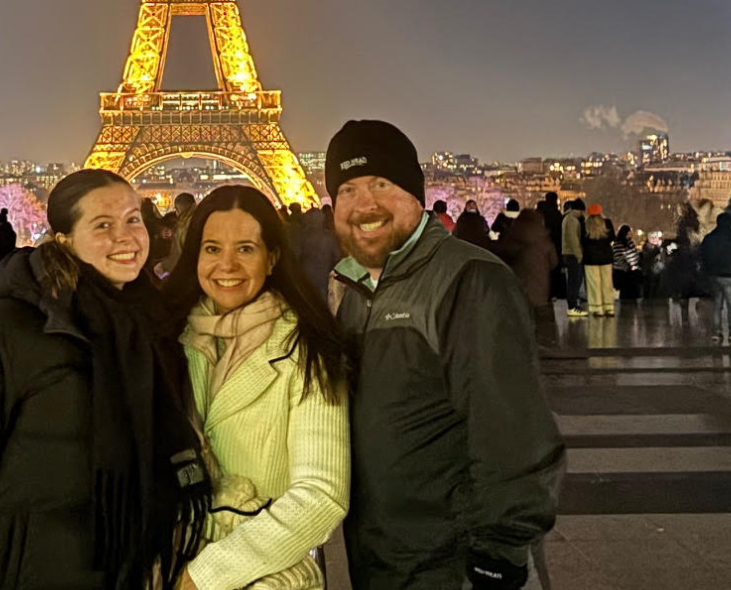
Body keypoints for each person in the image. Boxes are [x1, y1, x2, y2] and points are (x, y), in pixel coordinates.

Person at [0, 170, 211, 590]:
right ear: (63, 238)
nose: (127, 237)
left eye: (133, 219)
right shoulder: (2, 326)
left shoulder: (154, 324)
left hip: (138, 571)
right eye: (103, 225)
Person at [324, 120, 562, 590]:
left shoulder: (469, 280)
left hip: (452, 561)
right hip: (381, 554)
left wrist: (498, 554)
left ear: (416, 193)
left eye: (381, 183)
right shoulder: (348, 287)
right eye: (347, 189)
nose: (364, 203)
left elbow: (511, 431)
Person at [163, 185, 350, 589]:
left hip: (259, 574)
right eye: (212, 248)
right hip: (171, 558)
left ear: (273, 258)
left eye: (245, 248)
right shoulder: (166, 339)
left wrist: (206, 575)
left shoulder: (309, 347)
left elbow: (322, 492)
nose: (226, 264)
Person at [493, 208, 558, 313]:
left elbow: (502, 254)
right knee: (539, 321)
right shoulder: (544, 239)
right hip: (540, 289)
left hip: (516, 288)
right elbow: (554, 262)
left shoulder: (512, 235)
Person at [700, 212, 731, 343]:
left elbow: (702, 254)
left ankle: (716, 332)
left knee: (716, 305)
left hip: (713, 274)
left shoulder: (709, 238)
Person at [295, 204, 341, 303]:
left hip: (307, 276)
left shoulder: (302, 236)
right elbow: (337, 256)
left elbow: (296, 256)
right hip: (324, 275)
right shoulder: (328, 237)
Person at [581, 204, 616, 318]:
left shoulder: (585, 225)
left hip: (590, 259)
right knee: (607, 283)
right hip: (606, 257)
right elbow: (612, 238)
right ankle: (609, 307)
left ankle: (597, 308)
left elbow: (582, 241)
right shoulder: (607, 223)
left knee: (594, 284)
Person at [560, 199, 587, 318]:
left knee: (573, 281)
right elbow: (573, 240)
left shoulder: (568, 218)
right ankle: (572, 307)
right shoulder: (572, 220)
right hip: (573, 255)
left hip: (569, 254)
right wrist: (579, 255)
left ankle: (573, 305)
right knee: (574, 281)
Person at [611, 225, 641, 301]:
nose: (629, 235)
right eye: (628, 233)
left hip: (633, 271)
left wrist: (636, 263)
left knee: (634, 291)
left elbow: (635, 253)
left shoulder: (630, 242)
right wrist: (627, 267)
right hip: (623, 272)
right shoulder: (618, 243)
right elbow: (618, 257)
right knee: (625, 293)